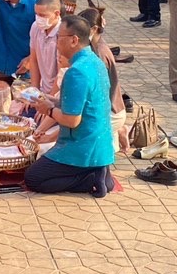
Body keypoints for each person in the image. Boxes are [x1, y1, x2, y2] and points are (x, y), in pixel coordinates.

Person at [24, 15, 116, 197]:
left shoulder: (76, 72)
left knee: (33, 178)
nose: (57, 42)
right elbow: (83, 103)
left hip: (82, 146)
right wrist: (52, 101)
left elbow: (72, 120)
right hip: (100, 144)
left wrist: (48, 109)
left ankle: (91, 178)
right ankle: (99, 174)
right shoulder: (94, 61)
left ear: (74, 40)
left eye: (59, 38)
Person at [19, 0, 63, 94]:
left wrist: (49, 99)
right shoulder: (35, 27)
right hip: (43, 90)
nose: (38, 18)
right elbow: (33, 60)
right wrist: (35, 91)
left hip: (57, 93)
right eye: (37, 14)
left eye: (43, 15)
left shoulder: (62, 35)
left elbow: (61, 73)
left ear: (56, 14)